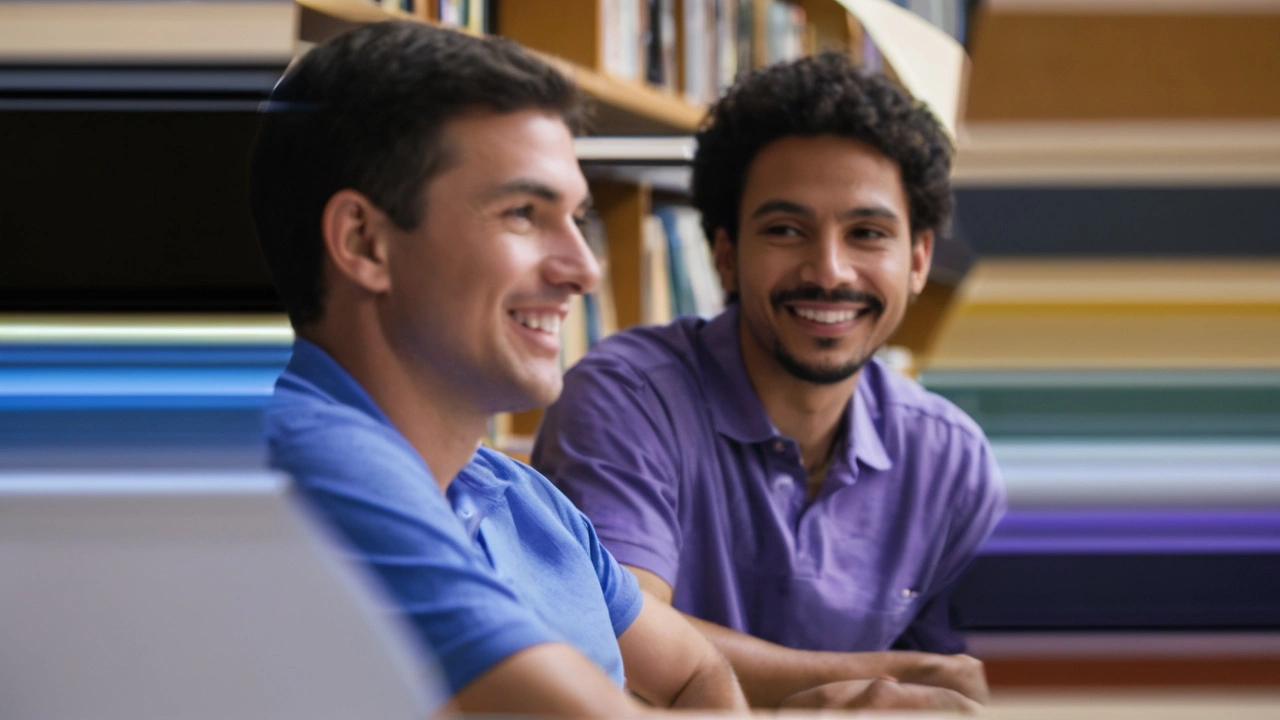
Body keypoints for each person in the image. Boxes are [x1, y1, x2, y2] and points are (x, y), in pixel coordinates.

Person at [250, 21, 975, 717]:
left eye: (578, 218)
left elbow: (698, 672)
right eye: (523, 215)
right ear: (364, 242)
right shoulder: (305, 458)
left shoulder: (526, 499)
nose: (585, 269)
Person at [532, 52, 1007, 708]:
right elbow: (623, 638)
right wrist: (892, 677)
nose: (830, 271)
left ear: (919, 260)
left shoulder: (952, 459)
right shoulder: (627, 398)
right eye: (786, 230)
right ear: (725, 254)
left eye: (867, 233)